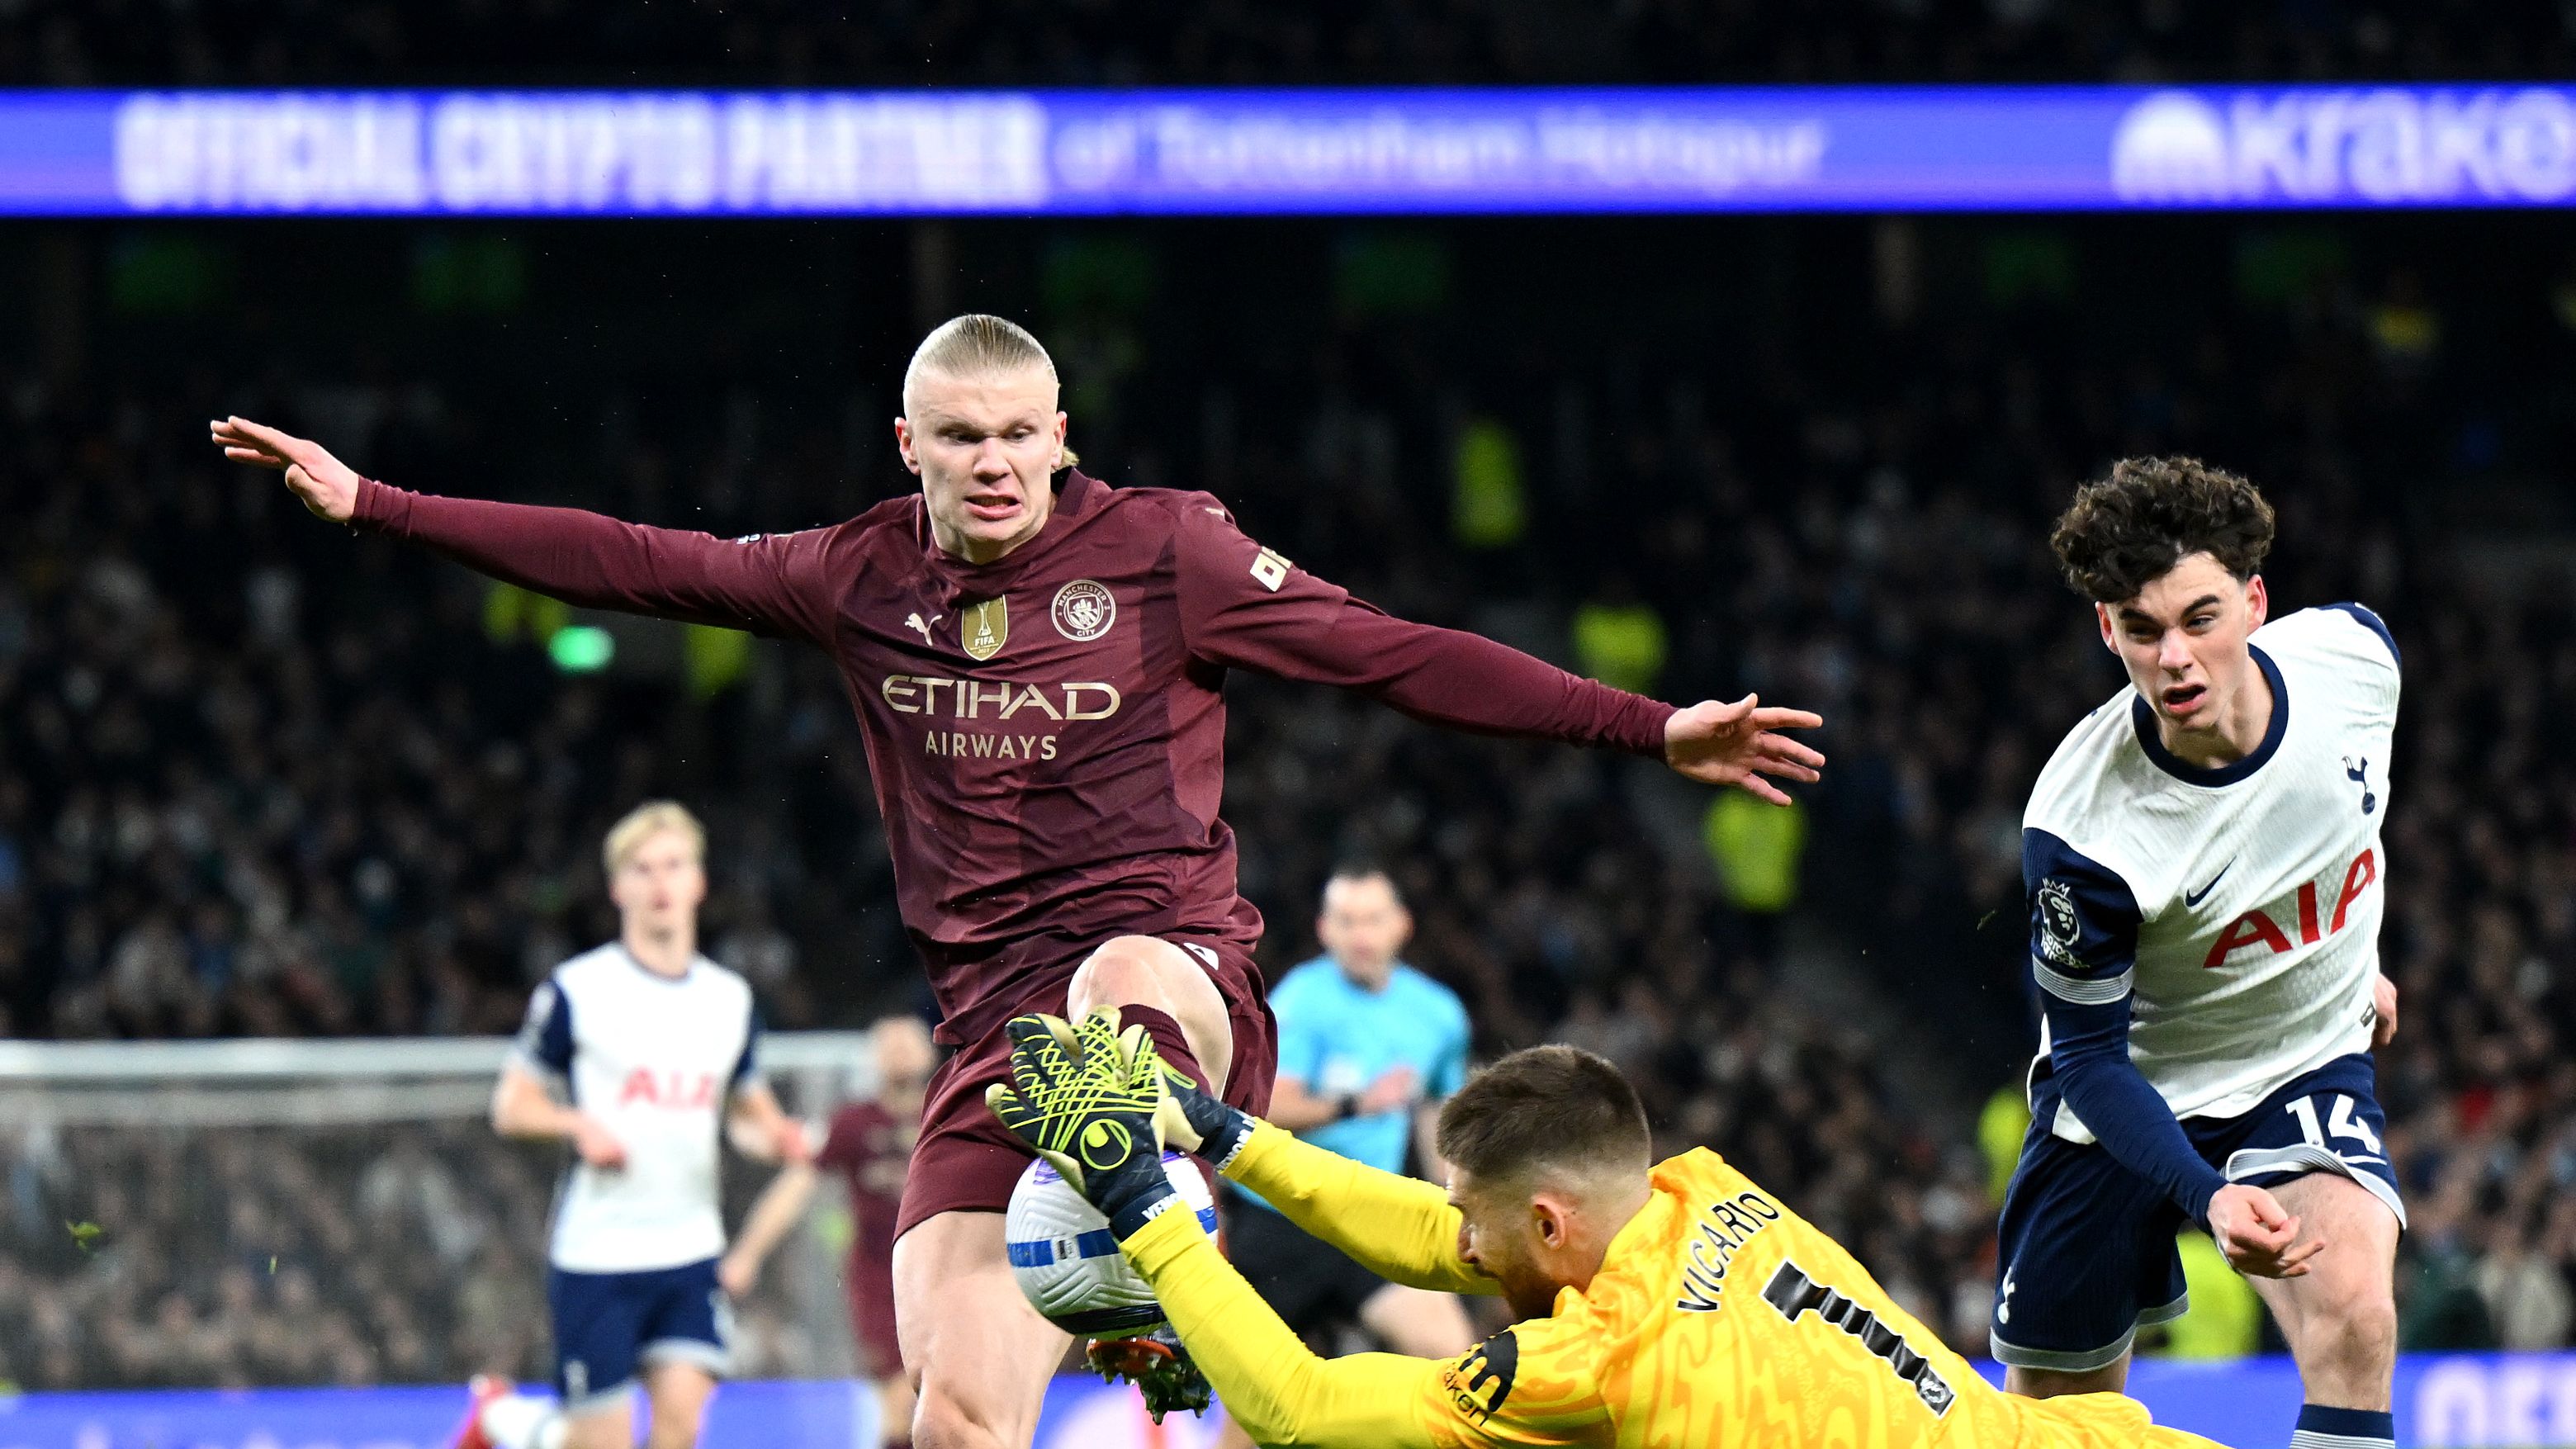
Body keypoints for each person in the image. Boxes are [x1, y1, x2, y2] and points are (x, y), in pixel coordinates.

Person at [210, 314, 1825, 1449]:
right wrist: (380, 505)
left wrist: (1646, 727)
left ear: (1066, 438)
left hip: (1169, 975)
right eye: (962, 440)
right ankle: (1120, 1253)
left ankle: (1151, 1215)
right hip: (989, 1027)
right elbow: (641, 557)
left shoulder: (1167, 551)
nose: (994, 467)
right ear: (907, 444)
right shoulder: (856, 577)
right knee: (959, 1412)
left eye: (1019, 438)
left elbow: (1389, 654)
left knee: (1114, 993)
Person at [987, 1014, 2223, 1448]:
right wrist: (1220, 1127)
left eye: (1480, 1221)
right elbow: (1438, 1234)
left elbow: (1301, 1408)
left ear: (1546, 1215)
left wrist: (1145, 1210)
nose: (1457, 1249)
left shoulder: (1597, 1364)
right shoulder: (1699, 1186)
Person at [1996, 457, 2403, 1449]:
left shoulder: (2357, 660)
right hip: (2129, 1101)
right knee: (2056, 1429)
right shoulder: (2084, 828)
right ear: (2108, 631)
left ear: (2256, 602)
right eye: (2142, 630)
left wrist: (2354, 960)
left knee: (2357, 1317)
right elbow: (2088, 1061)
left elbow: (2343, 831)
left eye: (2201, 618)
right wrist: (2208, 1192)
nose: (2175, 657)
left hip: (2301, 1065)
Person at [456, 802, 811, 1449]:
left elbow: (747, 1118)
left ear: (699, 882)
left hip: (689, 1250)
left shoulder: (728, 999)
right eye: (642, 869)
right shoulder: (579, 989)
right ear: (618, 887)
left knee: (679, 1429)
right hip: (599, 1254)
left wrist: (778, 1138)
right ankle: (502, 1419)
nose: (659, 883)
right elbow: (511, 1104)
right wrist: (575, 1124)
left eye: (674, 866)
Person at [1219, 865, 1473, 1449]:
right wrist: (1357, 1102)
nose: (1361, 934)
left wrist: (1459, 1200)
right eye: (1346, 920)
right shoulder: (1301, 1001)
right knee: (1256, 1418)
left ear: (1402, 925)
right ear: (1324, 929)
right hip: (1281, 1221)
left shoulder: (1438, 1013)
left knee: (1454, 1359)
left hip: (1368, 1218)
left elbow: (1437, 1111)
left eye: (1373, 918)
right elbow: (1262, 1108)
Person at [717, 1015, 937, 1448]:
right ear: (873, 1059)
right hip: (881, 1281)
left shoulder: (945, 1114)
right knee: (899, 1401)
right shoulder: (852, 1123)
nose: (898, 1052)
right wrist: (747, 1253)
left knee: (940, 1406)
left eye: (906, 1043)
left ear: (930, 1050)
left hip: (945, 1275)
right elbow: (795, 1187)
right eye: (887, 1044)